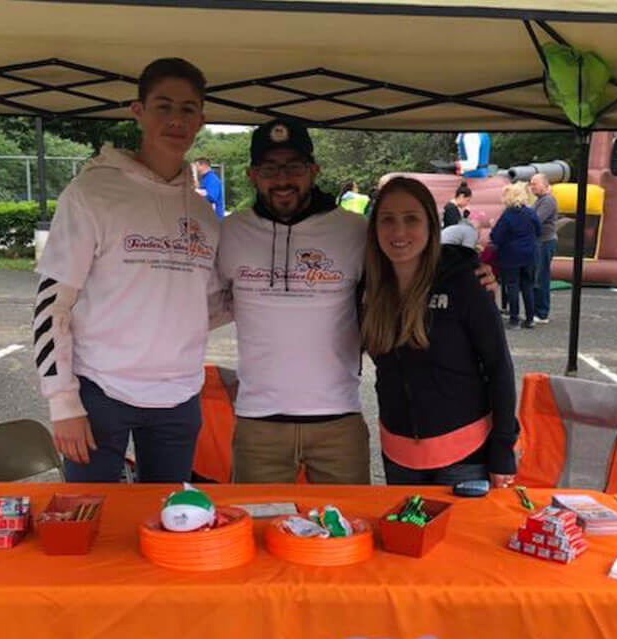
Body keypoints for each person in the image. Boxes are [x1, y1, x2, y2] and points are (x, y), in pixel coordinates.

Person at [216, 121, 496, 485]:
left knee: (346, 536)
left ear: (314, 170)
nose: (282, 179)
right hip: (258, 423)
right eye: (270, 169)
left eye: (294, 167)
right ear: (252, 175)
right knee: (257, 534)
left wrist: (468, 269)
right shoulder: (229, 232)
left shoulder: (353, 230)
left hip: (338, 422)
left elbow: (408, 257)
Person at [33, 57, 219, 483]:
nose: (176, 119)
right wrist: (63, 404)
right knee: (89, 522)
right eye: (163, 106)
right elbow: (51, 305)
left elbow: (207, 304)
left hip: (179, 397)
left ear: (201, 119)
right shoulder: (93, 193)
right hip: (100, 393)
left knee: (170, 522)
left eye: (188, 109)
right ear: (138, 111)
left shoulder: (204, 215)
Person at [361, 176, 519, 488]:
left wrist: (503, 448)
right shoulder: (368, 286)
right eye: (387, 220)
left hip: (465, 456)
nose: (399, 231)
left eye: (411, 219)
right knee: (402, 537)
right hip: (399, 453)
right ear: (374, 227)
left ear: (432, 226)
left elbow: (499, 366)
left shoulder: (465, 280)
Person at [490, 182, 541, 329]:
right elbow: (538, 230)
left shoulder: (507, 215)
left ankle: (514, 319)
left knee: (512, 286)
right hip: (530, 254)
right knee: (528, 286)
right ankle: (530, 319)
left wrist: (494, 229)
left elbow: (496, 237)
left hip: (511, 255)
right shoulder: (531, 212)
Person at [530, 173, 559, 324]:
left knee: (541, 277)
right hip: (540, 242)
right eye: (531, 184)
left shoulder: (547, 201)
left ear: (544, 184)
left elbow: (536, 220)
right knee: (538, 276)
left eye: (534, 184)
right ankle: (538, 310)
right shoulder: (540, 200)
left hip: (545, 242)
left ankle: (542, 313)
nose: (532, 187)